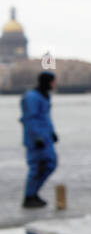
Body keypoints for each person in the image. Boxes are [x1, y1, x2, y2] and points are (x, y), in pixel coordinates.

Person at [20, 71, 58, 209]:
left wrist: (52, 132)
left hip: (45, 137)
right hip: (37, 139)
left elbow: (46, 117)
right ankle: (29, 196)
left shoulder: (44, 96)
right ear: (47, 82)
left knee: (50, 164)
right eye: (53, 81)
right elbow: (30, 119)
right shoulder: (31, 97)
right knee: (38, 167)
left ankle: (34, 193)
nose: (55, 84)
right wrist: (37, 137)